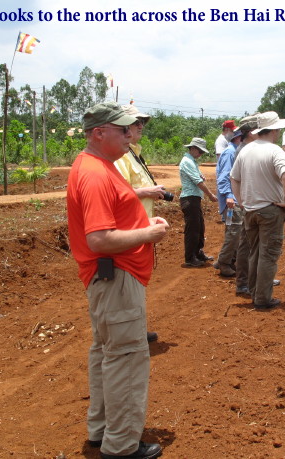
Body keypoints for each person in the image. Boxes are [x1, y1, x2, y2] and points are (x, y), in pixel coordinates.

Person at [67, 102, 169, 459]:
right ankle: (122, 445)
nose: (129, 135)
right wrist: (147, 234)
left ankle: (101, 431)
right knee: (125, 356)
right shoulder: (95, 173)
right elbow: (99, 238)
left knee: (105, 353)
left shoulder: (97, 166)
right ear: (99, 133)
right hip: (115, 276)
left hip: (108, 277)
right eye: (122, 130)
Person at [113, 104, 165, 343]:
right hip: (130, 230)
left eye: (142, 122)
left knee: (137, 282)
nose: (140, 126)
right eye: (135, 123)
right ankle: (129, 333)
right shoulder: (121, 157)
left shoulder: (133, 153)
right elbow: (118, 193)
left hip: (141, 226)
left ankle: (136, 328)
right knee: (128, 282)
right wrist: (147, 191)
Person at [230, 111, 285, 309]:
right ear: (274, 130)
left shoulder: (246, 150)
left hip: (250, 211)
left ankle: (254, 291)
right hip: (270, 210)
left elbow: (234, 178)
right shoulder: (275, 151)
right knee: (268, 254)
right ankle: (263, 298)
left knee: (254, 252)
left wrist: (241, 201)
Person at [179, 137, 218, 267]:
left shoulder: (191, 161)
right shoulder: (187, 161)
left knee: (199, 227)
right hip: (189, 198)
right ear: (193, 148)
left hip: (194, 198)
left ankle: (197, 252)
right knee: (193, 230)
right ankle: (190, 258)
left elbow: (198, 177)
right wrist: (211, 195)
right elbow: (198, 182)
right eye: (200, 151)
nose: (201, 154)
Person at [215, 128, 244, 278]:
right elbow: (224, 177)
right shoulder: (231, 152)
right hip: (231, 200)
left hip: (233, 198)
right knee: (234, 231)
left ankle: (227, 259)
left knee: (232, 230)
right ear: (238, 138)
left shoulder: (234, 152)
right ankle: (224, 262)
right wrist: (229, 196)